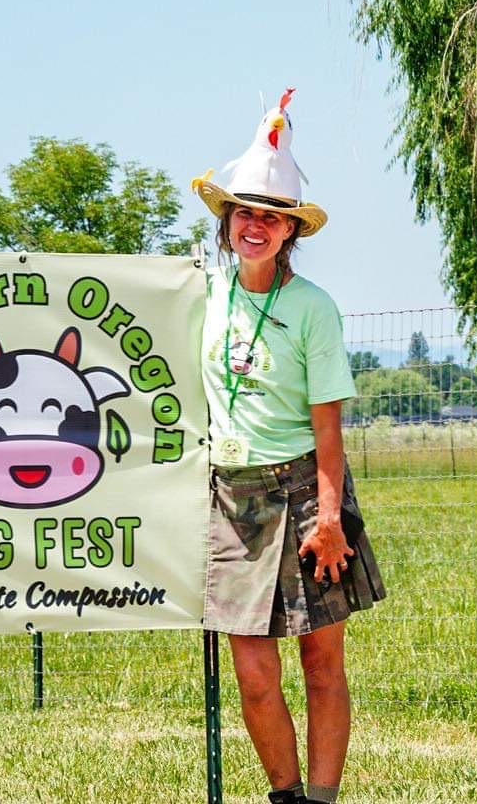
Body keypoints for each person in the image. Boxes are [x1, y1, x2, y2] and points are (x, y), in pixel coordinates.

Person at [191, 90, 384, 804]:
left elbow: (329, 428)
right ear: (227, 221)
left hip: (308, 493)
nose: (256, 226)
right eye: (245, 213)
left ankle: (324, 800)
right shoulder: (201, 295)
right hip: (231, 499)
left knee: (322, 661)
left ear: (289, 232)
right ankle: (285, 794)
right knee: (251, 671)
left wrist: (330, 517)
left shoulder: (313, 309)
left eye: (271, 217)